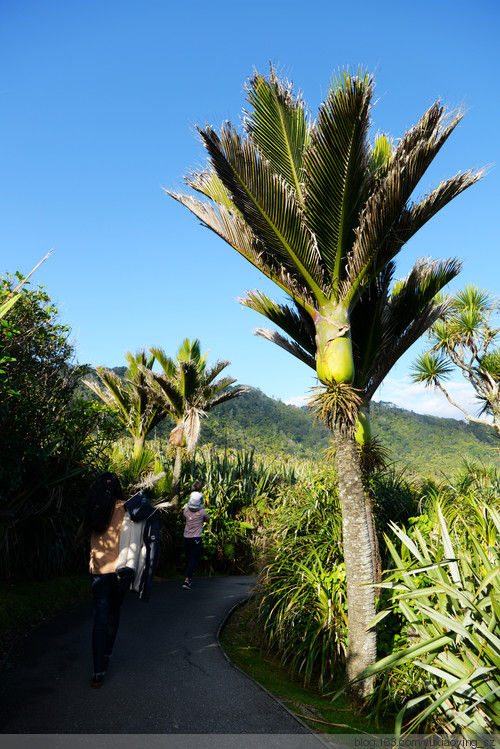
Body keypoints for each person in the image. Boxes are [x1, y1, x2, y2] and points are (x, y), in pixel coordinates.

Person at [76, 472, 129, 689]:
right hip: (120, 571)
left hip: (98, 571)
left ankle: (97, 672)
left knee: (100, 618)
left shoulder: (95, 509)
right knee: (114, 614)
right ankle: (106, 653)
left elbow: (79, 536)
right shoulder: (127, 508)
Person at [182, 480, 209, 589]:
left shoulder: (186, 510)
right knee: (194, 560)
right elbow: (208, 520)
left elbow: (184, 519)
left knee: (188, 559)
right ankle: (186, 580)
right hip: (196, 538)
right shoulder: (202, 512)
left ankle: (189, 578)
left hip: (186, 537)